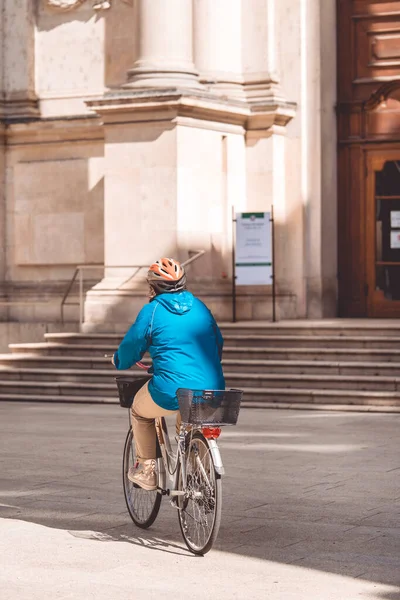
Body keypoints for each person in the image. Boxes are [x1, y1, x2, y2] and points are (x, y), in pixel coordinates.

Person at [113, 257, 225, 491]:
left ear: (153, 287)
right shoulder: (201, 307)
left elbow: (132, 346)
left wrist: (119, 360)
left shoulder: (152, 311)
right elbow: (218, 342)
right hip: (212, 387)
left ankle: (147, 470)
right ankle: (197, 467)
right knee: (191, 415)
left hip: (169, 389)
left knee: (138, 410)